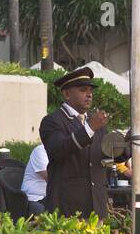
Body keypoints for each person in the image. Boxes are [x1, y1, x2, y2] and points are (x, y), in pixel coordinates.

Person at [39, 65, 129, 219]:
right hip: (68, 208)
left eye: (90, 91)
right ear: (67, 94)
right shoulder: (52, 121)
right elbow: (59, 150)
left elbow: (109, 155)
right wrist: (90, 128)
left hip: (97, 206)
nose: (89, 95)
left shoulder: (95, 122)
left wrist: (129, 144)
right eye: (82, 90)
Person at [21, 141, 49, 214]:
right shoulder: (41, 150)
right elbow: (48, 177)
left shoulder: (61, 153)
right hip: (34, 198)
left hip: (48, 197)